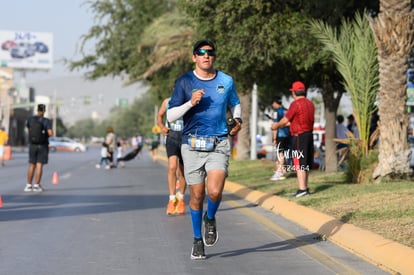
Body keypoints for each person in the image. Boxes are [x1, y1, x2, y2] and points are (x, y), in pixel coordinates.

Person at [167, 39, 242, 260]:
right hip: (191, 145)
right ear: (194, 57)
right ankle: (197, 239)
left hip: (219, 142)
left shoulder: (226, 81)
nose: (205, 56)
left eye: (209, 52)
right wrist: (190, 103)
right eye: (201, 53)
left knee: (215, 191)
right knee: (197, 195)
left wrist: (237, 119)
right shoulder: (185, 82)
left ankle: (210, 218)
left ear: (214, 56)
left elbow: (235, 102)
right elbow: (170, 116)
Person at [271, 81, 314, 198]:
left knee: (299, 163)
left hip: (299, 136)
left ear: (294, 92)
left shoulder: (296, 104)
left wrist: (276, 125)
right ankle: (305, 188)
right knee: (305, 163)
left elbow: (285, 120)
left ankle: (302, 189)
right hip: (309, 135)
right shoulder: (310, 104)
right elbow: (297, 120)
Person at [157, 96, 187, 215]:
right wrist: (162, 127)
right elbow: (160, 115)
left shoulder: (190, 101)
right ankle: (171, 199)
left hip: (185, 137)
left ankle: (181, 199)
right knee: (172, 167)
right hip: (171, 136)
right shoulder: (167, 101)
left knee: (182, 171)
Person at [25, 104, 53, 192]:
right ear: (44, 111)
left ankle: (28, 185)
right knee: (39, 165)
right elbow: (50, 133)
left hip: (32, 145)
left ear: (37, 110)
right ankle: (36, 185)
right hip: (43, 145)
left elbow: (29, 130)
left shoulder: (30, 119)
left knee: (31, 165)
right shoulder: (46, 121)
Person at [269, 96, 290, 181]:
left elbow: (275, 126)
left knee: (279, 154)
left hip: (280, 135)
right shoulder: (286, 110)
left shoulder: (276, 112)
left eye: (273, 103)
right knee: (283, 153)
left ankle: (279, 172)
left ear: (275, 103)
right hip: (288, 135)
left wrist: (274, 138)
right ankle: (283, 170)